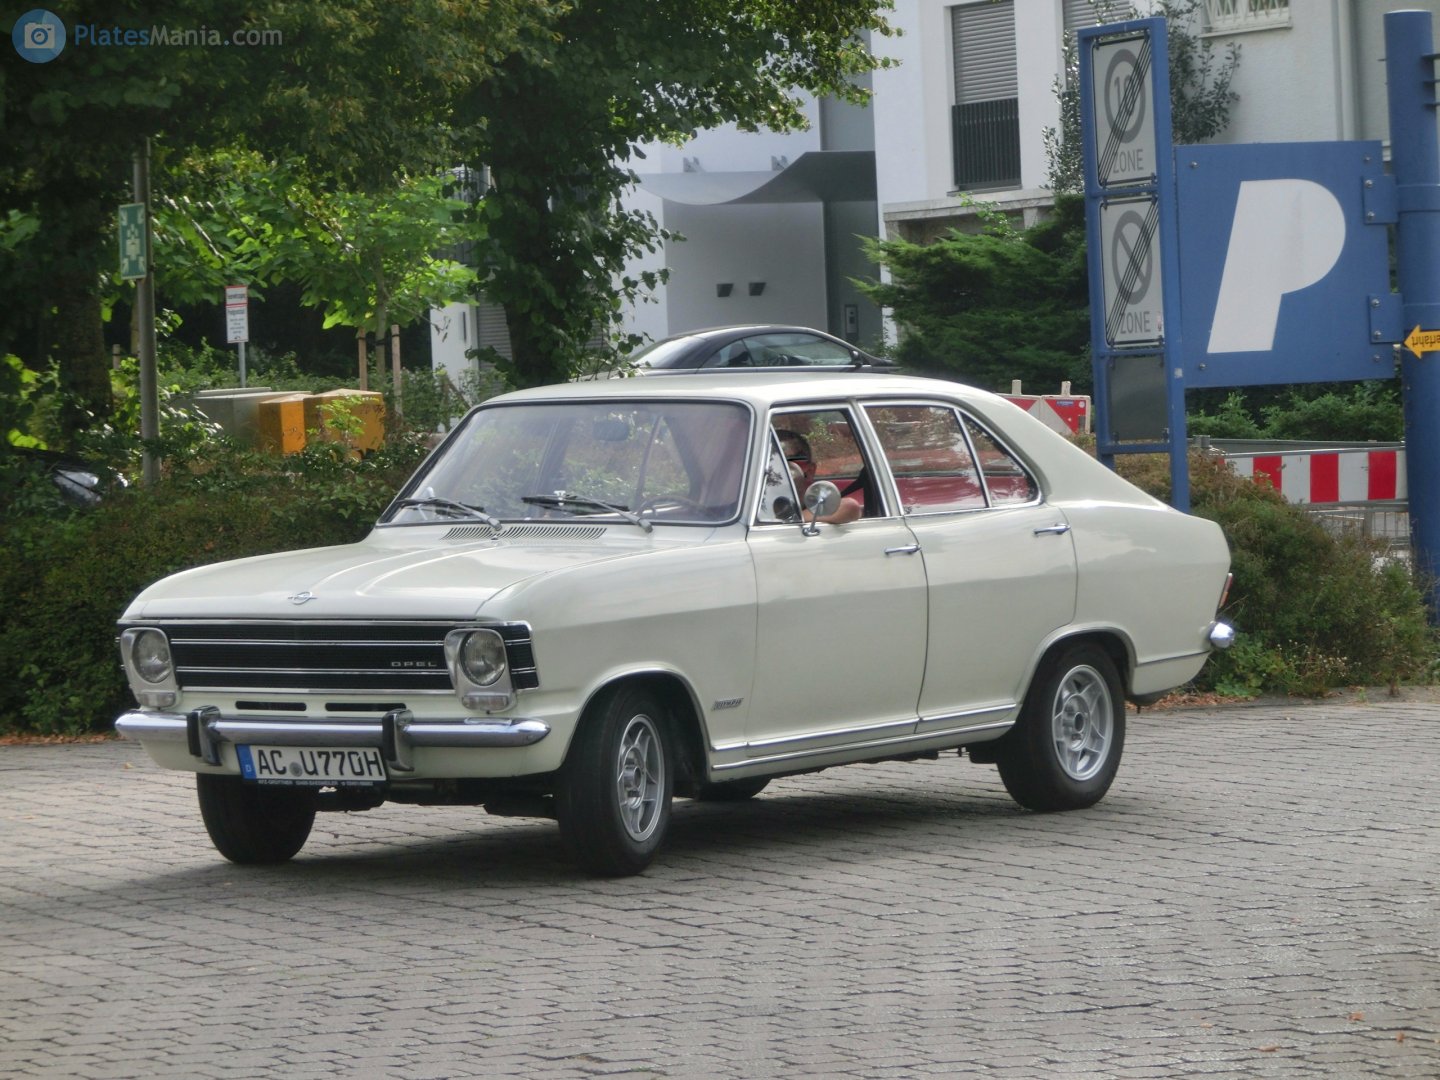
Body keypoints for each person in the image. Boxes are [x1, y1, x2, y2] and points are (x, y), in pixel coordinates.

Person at [775, 428, 863, 525]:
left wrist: (793, 520)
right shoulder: (757, 497)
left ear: (810, 470)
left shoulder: (816, 499)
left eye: (790, 461)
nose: (779, 468)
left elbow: (849, 507)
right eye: (772, 462)